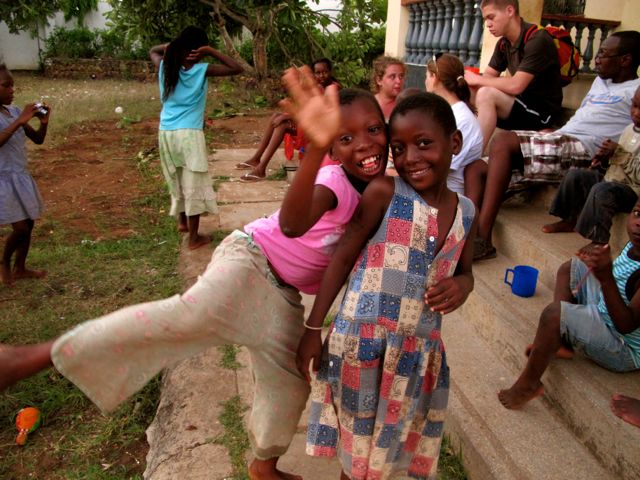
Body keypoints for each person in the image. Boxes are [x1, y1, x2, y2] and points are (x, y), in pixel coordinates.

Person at [0, 68, 388, 480]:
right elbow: (293, 225)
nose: (364, 145)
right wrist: (316, 149)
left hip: (283, 293)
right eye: (345, 138)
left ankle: (263, 466)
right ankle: (32, 356)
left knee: (290, 383)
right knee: (182, 319)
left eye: (374, 129)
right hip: (250, 262)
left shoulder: (380, 188)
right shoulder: (331, 180)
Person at [297, 92, 476, 480]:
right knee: (356, 453)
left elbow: (466, 270)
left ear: (455, 143)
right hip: (362, 344)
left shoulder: (466, 210)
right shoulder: (385, 193)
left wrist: (463, 285)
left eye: (424, 143)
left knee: (387, 449)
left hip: (415, 357)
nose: (410, 157)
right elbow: (343, 257)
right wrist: (314, 328)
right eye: (399, 148)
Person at [474, 31, 640, 261]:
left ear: (626, 60)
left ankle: (483, 238)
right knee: (476, 169)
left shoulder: (636, 91)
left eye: (603, 54)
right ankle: (463, 228)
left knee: (503, 141)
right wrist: (558, 133)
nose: (596, 60)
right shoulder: (600, 82)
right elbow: (582, 116)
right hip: (565, 139)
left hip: (587, 149)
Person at [498, 200, 640, 410]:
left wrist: (606, 278)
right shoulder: (634, 245)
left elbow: (626, 325)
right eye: (637, 213)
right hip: (606, 309)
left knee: (554, 315)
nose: (639, 223)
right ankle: (562, 341)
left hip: (621, 345)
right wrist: (601, 270)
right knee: (570, 268)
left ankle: (529, 385)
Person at [150, 26, 243, 250]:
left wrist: (171, 47)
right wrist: (210, 51)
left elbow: (153, 50)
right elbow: (236, 68)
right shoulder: (201, 69)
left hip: (166, 133)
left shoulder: (165, 66)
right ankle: (193, 238)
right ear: (198, 49)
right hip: (189, 134)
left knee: (178, 177)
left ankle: (182, 221)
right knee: (194, 183)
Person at [542, 86, 640, 252]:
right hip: (613, 179)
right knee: (575, 175)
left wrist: (619, 153)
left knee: (602, 190)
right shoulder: (628, 129)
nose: (636, 113)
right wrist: (603, 160)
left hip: (632, 191)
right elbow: (616, 162)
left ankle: (599, 241)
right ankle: (568, 219)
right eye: (634, 105)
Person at [464, 0, 563, 151]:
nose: (488, 24)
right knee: (470, 91)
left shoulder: (537, 40)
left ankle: (471, 157)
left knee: (486, 94)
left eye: (491, 17)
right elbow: (488, 77)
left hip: (542, 115)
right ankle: (461, 148)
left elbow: (516, 86)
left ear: (510, 11)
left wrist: (479, 79)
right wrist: (477, 81)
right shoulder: (504, 43)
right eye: (485, 20)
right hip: (521, 105)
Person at [235, 58, 340, 182]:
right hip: (308, 128)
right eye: (318, 73)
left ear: (330, 72)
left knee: (282, 124)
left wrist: (286, 116)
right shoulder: (317, 87)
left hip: (318, 134)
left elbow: (317, 115)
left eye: (325, 72)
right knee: (276, 116)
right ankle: (256, 158)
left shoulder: (333, 89)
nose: (322, 76)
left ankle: (261, 169)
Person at [0, 64, 50, 286]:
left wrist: (44, 122)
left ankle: (20, 267)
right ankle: (4, 263)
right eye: (6, 86)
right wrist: (20, 121)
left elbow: (38, 139)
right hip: (2, 179)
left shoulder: (13, 111)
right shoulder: (16, 117)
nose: (12, 90)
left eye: (12, 85)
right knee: (19, 227)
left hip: (20, 176)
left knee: (28, 225)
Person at [426, 53, 486, 207]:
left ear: (434, 78)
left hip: (447, 197)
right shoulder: (447, 111)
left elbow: (439, 167)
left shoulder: (461, 119)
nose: (425, 81)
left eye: (427, 76)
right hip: (434, 188)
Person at [371, 55, 406, 120]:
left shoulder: (405, 106)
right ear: (379, 80)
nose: (398, 81)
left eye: (401, 76)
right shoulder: (369, 104)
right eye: (392, 77)